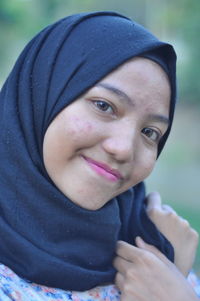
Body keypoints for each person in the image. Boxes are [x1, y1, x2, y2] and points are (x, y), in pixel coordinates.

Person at [0, 11, 199, 300]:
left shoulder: (157, 256)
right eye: (104, 106)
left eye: (150, 132)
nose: (123, 149)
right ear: (41, 95)